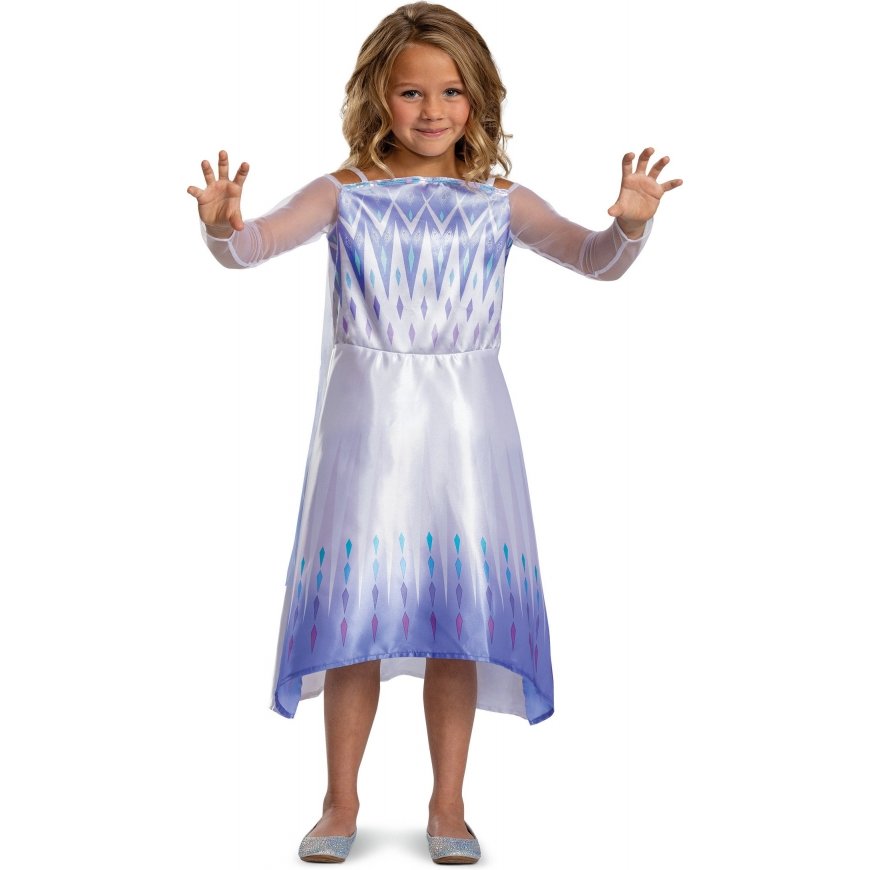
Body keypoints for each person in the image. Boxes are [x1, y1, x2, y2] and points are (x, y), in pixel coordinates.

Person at [187, 2, 681, 863]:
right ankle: (340, 800)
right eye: (411, 91)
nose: (431, 110)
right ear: (377, 97)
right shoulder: (344, 194)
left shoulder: (498, 203)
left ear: (478, 98)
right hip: (367, 427)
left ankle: (448, 804)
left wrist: (630, 227)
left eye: (451, 91)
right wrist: (223, 226)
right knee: (357, 614)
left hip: (466, 427)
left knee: (460, 613)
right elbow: (252, 248)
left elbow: (592, 259)